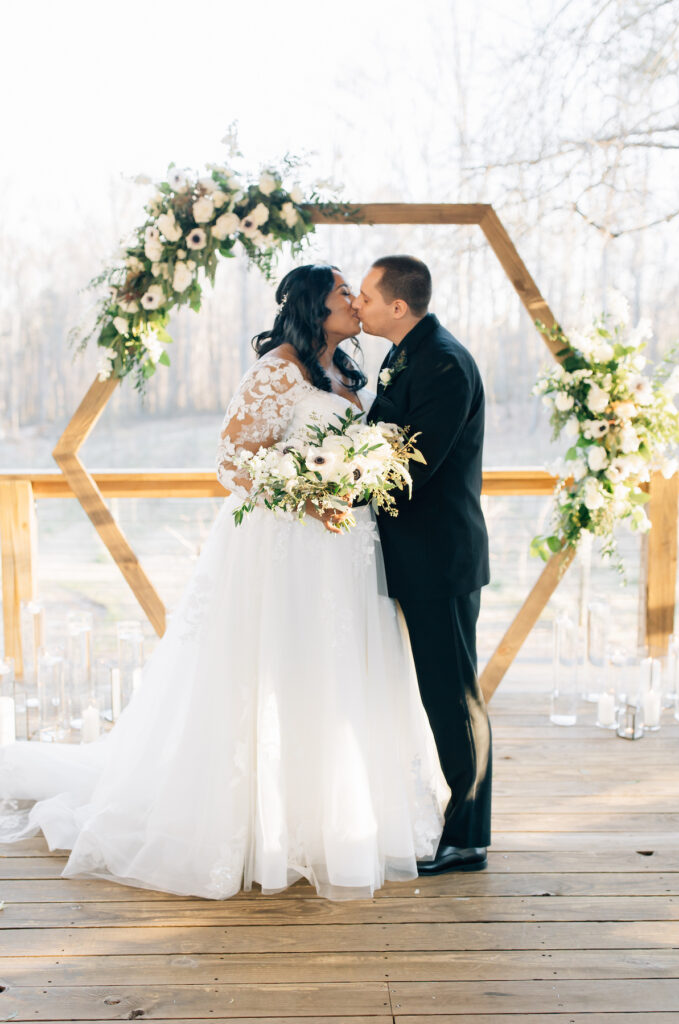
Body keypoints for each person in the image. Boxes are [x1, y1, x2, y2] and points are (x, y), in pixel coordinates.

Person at [0, 264, 449, 901]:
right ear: (315, 308)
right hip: (289, 547)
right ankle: (262, 826)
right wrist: (301, 495)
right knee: (276, 670)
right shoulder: (277, 369)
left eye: (358, 292)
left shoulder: (350, 370)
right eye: (343, 293)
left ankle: (332, 818)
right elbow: (234, 460)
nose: (354, 301)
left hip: (346, 549)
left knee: (332, 674)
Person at [353, 255, 492, 874]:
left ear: (398, 308)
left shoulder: (442, 362)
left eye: (365, 296)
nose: (358, 305)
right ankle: (454, 821)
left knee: (453, 696)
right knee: (438, 692)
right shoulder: (406, 352)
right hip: (414, 556)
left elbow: (412, 466)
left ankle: (467, 837)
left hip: (441, 559)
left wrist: (331, 488)